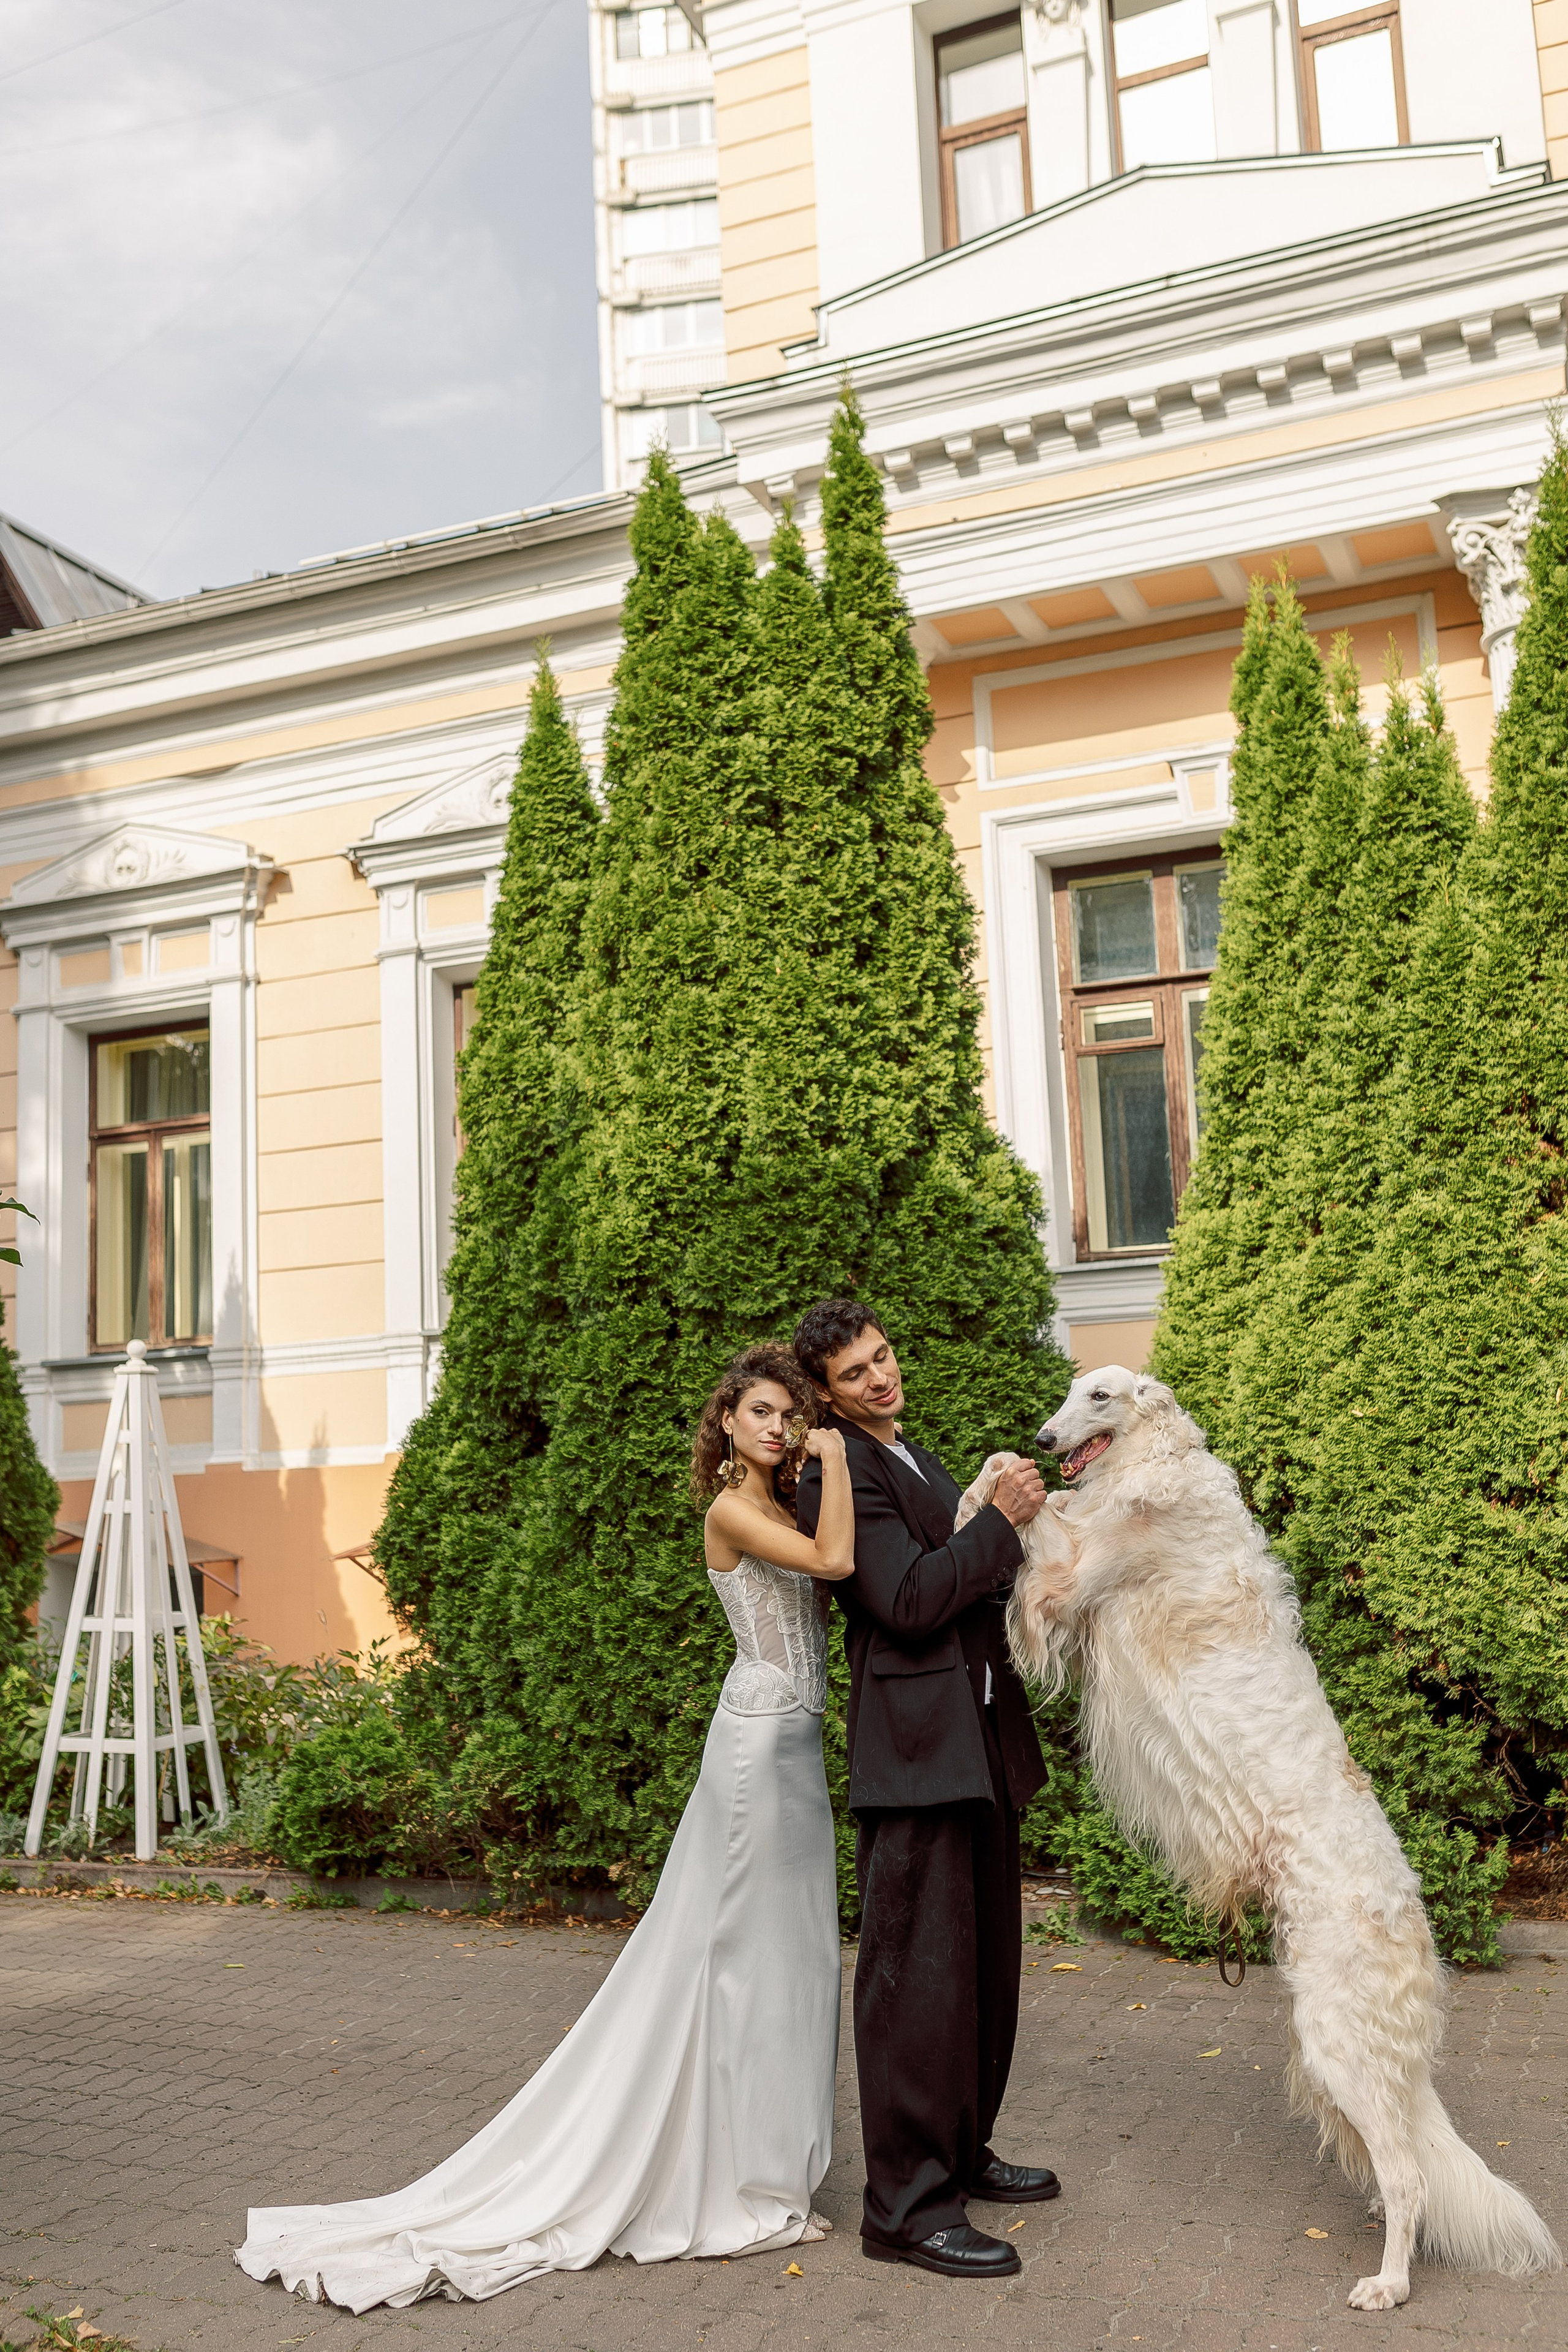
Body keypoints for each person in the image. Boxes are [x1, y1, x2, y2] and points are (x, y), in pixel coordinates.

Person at [235, 1343, 854, 2312]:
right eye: (761, 1413)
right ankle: (734, 2183)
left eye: (789, 1413)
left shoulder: (786, 1504)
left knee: (793, 1960)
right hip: (756, 1752)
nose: (779, 1427)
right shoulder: (731, 1510)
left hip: (797, 1751)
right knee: (735, 1958)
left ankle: (765, 2169)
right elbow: (836, 1562)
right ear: (728, 1424)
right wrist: (842, 1457)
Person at [791, 1299, 1057, 2282]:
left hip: (976, 1739)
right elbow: (904, 1600)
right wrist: (999, 1523)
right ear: (827, 1396)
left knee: (982, 1967)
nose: (880, 1376)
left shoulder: (909, 1453)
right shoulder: (838, 1472)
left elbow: (959, 1569)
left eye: (883, 1356)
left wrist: (998, 1536)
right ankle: (905, 2208)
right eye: (855, 1373)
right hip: (913, 1753)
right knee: (917, 1982)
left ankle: (960, 2152)